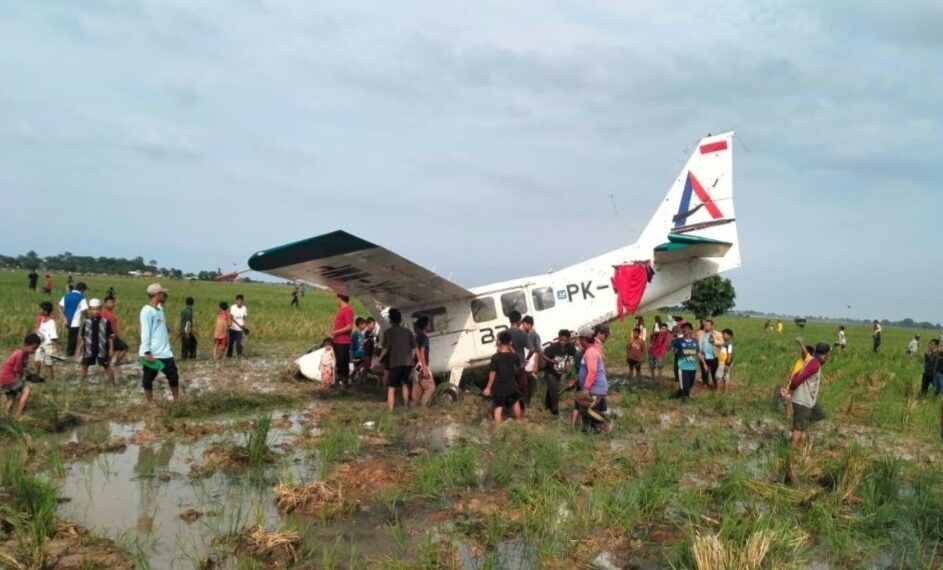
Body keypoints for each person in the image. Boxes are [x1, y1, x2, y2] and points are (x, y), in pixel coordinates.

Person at [139, 283, 180, 404]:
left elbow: (160, 325)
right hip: (152, 353)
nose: (165, 295)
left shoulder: (160, 309)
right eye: (163, 293)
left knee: (173, 375)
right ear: (157, 294)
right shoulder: (146, 311)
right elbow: (145, 332)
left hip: (165, 352)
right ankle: (151, 403)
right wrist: (147, 351)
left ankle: (176, 400)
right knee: (148, 378)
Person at [788, 343, 831, 444]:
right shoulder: (814, 364)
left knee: (819, 414)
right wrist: (790, 390)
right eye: (828, 354)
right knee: (799, 428)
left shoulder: (813, 361)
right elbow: (798, 378)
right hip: (803, 399)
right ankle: (791, 452)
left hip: (809, 400)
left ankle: (797, 428)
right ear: (826, 354)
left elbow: (797, 375)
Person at [378, 309, 417, 412]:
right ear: (400, 320)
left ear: (390, 320)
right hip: (407, 363)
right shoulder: (408, 331)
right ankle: (405, 406)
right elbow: (414, 347)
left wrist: (379, 359)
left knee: (391, 388)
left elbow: (385, 349)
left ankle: (390, 411)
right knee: (405, 384)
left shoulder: (388, 332)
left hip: (395, 363)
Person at [482, 330, 524, 424]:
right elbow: (519, 365)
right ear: (510, 342)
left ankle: (498, 430)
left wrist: (488, 387)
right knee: (515, 403)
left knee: (498, 408)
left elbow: (492, 373)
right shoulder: (513, 356)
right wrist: (511, 348)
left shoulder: (495, 357)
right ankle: (521, 423)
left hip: (498, 387)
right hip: (511, 386)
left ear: (499, 342)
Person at [572, 327, 609, 429]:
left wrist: (586, 389)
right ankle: (592, 430)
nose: (579, 341)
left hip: (595, 388)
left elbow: (592, 372)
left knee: (585, 410)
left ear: (584, 339)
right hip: (594, 388)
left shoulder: (591, 352)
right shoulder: (590, 350)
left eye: (580, 339)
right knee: (586, 410)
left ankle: (605, 424)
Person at [1, 334, 40, 419]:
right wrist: (21, 381)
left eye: (36, 349)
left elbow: (23, 367)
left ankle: (6, 417)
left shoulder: (25, 354)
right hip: (9, 377)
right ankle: (19, 415)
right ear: (26, 345)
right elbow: (17, 370)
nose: (34, 351)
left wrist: (28, 375)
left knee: (11, 398)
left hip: (4, 379)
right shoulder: (20, 354)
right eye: (33, 348)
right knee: (27, 391)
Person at [78, 299, 115, 386]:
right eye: (93, 309)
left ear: (101, 309)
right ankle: (81, 384)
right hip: (89, 349)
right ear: (90, 310)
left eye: (97, 309)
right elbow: (84, 337)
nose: (96, 311)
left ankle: (113, 384)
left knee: (106, 366)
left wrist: (111, 348)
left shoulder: (105, 322)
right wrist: (79, 348)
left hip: (102, 348)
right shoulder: (87, 322)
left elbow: (110, 336)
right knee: (84, 366)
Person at [541, 329, 577, 416]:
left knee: (552, 388)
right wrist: (550, 360)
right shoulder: (552, 347)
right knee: (554, 390)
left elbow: (572, 358)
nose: (562, 342)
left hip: (560, 372)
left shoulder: (571, 348)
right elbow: (543, 355)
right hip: (550, 371)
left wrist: (569, 365)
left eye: (564, 340)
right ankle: (555, 411)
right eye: (560, 340)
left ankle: (547, 405)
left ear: (568, 340)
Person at [670, 323, 707, 399]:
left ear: (690, 330)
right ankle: (685, 400)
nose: (684, 330)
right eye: (682, 329)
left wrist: (704, 364)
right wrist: (674, 350)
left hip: (692, 367)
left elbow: (698, 353)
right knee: (685, 386)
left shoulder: (695, 341)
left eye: (685, 328)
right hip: (683, 367)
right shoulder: (678, 341)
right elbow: (673, 349)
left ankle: (676, 396)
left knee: (689, 384)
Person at [57, 282, 88, 357]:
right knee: (73, 339)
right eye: (84, 290)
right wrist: (88, 318)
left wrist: (64, 317)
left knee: (70, 337)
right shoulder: (81, 298)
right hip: (75, 322)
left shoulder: (67, 295)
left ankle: (69, 352)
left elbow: (59, 306)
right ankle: (70, 355)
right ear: (82, 289)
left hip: (67, 320)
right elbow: (84, 311)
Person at [331, 294, 354, 387]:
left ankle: (344, 381)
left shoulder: (347, 310)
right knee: (338, 362)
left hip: (343, 341)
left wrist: (335, 332)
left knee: (343, 361)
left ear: (340, 298)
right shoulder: (341, 310)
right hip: (337, 340)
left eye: (337, 298)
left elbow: (349, 326)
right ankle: (338, 379)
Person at [412, 316, 435, 407]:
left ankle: (414, 405)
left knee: (418, 386)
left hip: (416, 365)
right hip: (422, 365)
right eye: (428, 323)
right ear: (425, 326)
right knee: (430, 387)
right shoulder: (425, 338)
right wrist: (424, 368)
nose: (429, 325)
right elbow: (422, 352)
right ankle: (423, 406)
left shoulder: (417, 337)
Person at [34, 302, 59, 381]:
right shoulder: (42, 320)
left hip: (48, 345)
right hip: (40, 344)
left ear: (46, 311)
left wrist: (55, 347)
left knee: (48, 363)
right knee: (37, 361)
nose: (39, 310)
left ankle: (51, 379)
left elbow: (54, 336)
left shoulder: (51, 322)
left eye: (41, 309)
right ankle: (36, 376)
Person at [102, 296, 129, 366]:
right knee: (112, 352)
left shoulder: (112, 313)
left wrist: (117, 333)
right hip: (108, 336)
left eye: (112, 302)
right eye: (109, 302)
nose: (111, 304)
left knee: (124, 348)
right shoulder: (104, 313)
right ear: (105, 304)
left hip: (114, 336)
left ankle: (116, 363)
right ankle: (111, 365)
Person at [521, 316, 541, 406]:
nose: (522, 326)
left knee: (528, 383)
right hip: (525, 361)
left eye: (524, 324)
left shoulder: (535, 336)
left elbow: (537, 351)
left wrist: (536, 365)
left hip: (531, 361)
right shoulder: (525, 335)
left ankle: (528, 402)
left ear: (529, 324)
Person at [696, 319, 722, 388]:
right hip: (703, 356)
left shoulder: (717, 334)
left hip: (714, 356)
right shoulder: (700, 333)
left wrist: (714, 341)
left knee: (714, 372)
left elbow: (722, 343)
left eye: (707, 325)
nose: (706, 326)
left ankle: (715, 384)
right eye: (705, 325)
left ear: (712, 326)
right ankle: (705, 384)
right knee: (704, 371)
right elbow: (695, 339)